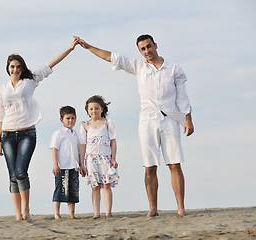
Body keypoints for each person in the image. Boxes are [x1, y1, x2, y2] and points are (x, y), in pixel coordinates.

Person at [75, 35, 194, 217]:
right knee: (150, 166)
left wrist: (188, 118)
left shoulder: (174, 69)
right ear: (140, 51)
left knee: (175, 164)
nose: (147, 51)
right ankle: (153, 208)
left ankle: (181, 208)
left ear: (155, 45)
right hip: (147, 120)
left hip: (170, 119)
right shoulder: (138, 66)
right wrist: (88, 46)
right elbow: (111, 57)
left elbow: (182, 96)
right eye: (143, 49)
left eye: (149, 47)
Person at [0, 38, 79, 222]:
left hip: (27, 133)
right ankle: (18, 216)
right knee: (12, 176)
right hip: (7, 134)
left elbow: (51, 64)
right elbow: (0, 114)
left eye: (18, 66)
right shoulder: (2, 89)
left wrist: (70, 48)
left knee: (20, 172)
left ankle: (26, 209)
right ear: (7, 68)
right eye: (12, 66)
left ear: (22, 67)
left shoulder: (30, 80)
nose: (15, 69)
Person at [79, 95, 120, 219]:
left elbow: (113, 141)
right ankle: (96, 213)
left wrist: (113, 158)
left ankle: (108, 212)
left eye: (96, 108)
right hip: (91, 159)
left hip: (106, 158)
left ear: (102, 109)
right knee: (95, 186)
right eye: (91, 109)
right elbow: (82, 145)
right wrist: (82, 163)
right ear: (87, 110)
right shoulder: (85, 125)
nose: (93, 111)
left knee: (106, 185)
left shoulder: (108, 123)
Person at [49, 106, 87, 219]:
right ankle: (57, 213)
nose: (70, 121)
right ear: (62, 120)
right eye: (67, 118)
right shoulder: (58, 133)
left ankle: (72, 214)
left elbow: (79, 151)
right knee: (60, 189)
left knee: (73, 191)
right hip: (62, 167)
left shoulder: (75, 134)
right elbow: (54, 149)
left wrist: (81, 165)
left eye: (73, 118)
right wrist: (55, 164)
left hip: (73, 167)